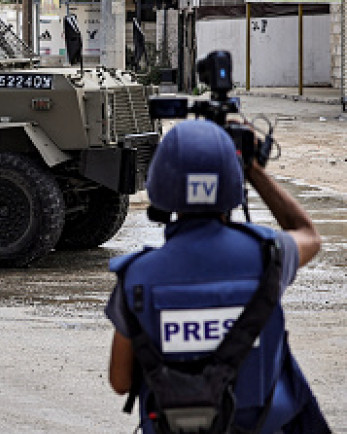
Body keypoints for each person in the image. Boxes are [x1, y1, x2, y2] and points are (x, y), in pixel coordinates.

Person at [105, 119, 328, 433]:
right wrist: (253, 169)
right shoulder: (270, 255)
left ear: (161, 186)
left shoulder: (136, 276)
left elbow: (120, 381)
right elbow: (309, 235)